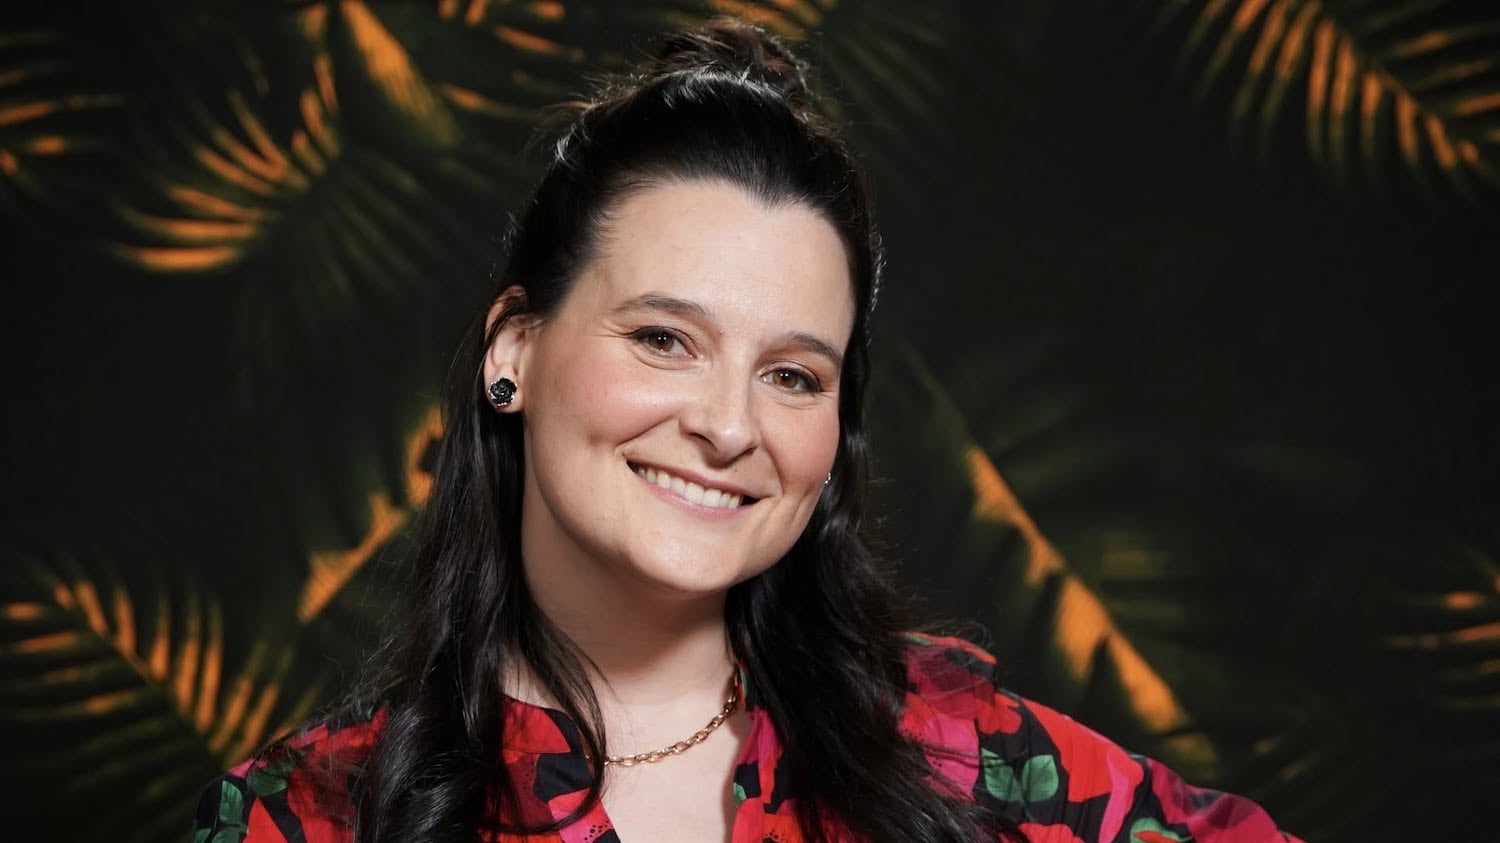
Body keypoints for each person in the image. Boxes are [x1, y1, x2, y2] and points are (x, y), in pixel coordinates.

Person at [192, 19, 1304, 843]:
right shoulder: (308, 817)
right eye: (664, 339)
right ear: (513, 350)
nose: (730, 426)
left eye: (791, 374)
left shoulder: (960, 760)